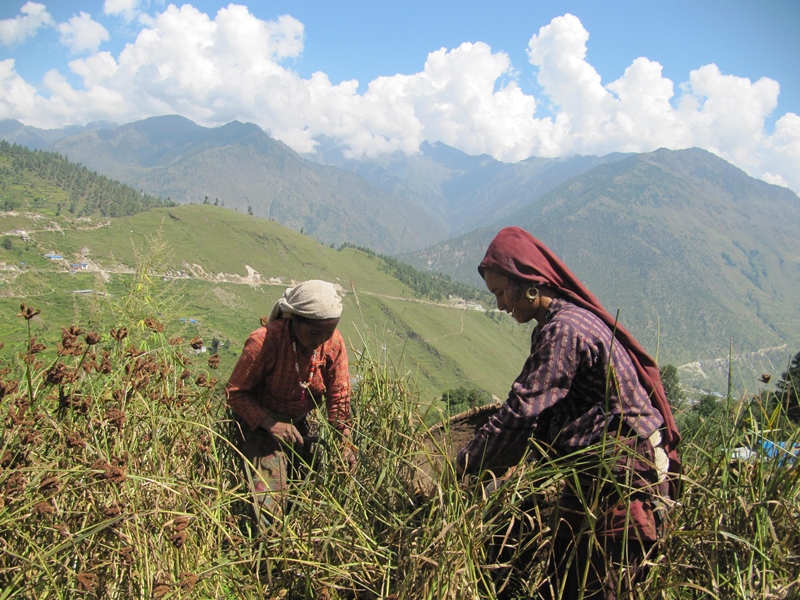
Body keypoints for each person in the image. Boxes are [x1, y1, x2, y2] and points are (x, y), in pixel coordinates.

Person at [456, 227, 681, 599]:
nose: (498, 305)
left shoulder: (565, 331)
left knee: (600, 586)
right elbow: (546, 416)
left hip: (623, 476)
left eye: (500, 293)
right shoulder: (553, 326)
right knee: (563, 579)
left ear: (530, 284)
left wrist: (462, 465)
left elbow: (521, 411)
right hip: (592, 473)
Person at [226, 280, 356, 522]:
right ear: (294, 320)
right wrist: (271, 424)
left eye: (329, 331)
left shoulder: (333, 343)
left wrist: (345, 441)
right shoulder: (265, 341)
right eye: (314, 332)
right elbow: (235, 393)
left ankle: (293, 543)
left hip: (297, 425)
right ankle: (266, 550)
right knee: (268, 502)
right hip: (259, 424)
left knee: (306, 492)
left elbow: (339, 396)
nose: (322, 339)